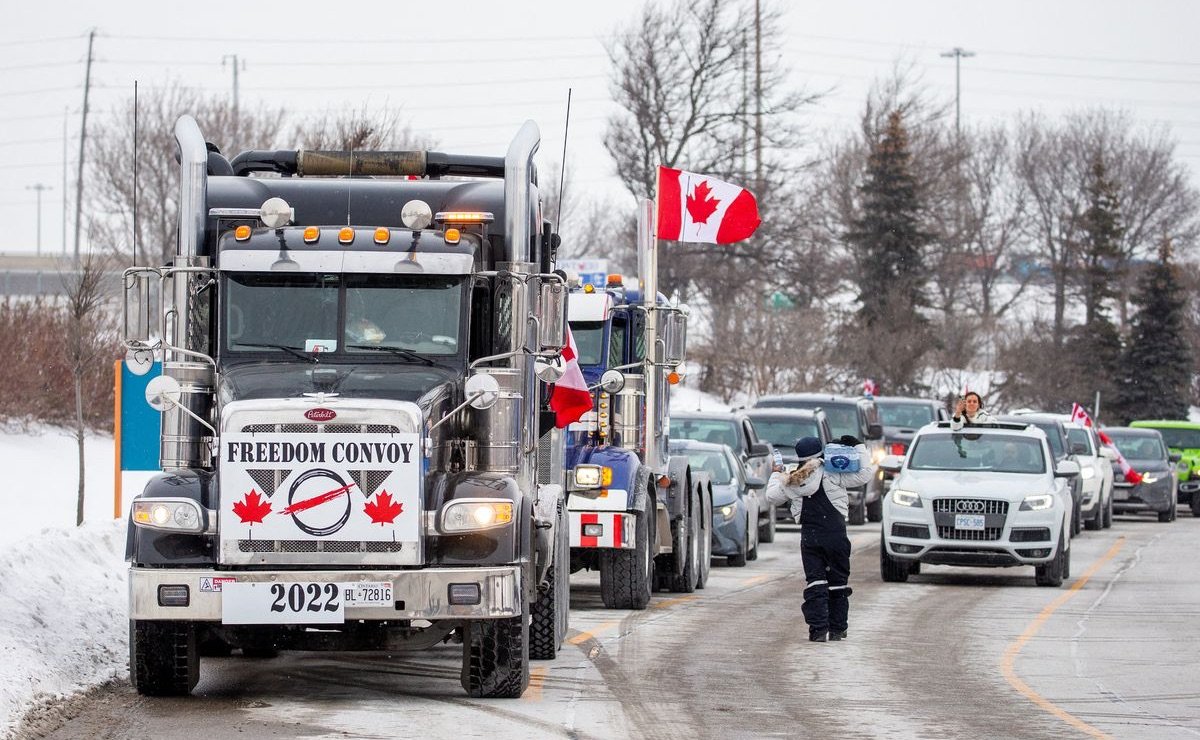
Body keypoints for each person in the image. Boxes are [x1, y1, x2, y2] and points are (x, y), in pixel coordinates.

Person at [765, 435, 877, 643]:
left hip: (810, 537)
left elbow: (771, 497)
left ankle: (817, 630)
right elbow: (864, 474)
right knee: (838, 582)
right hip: (836, 534)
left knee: (815, 582)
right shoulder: (833, 473)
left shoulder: (792, 480)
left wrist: (776, 473)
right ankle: (837, 629)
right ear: (821, 454)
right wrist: (858, 446)